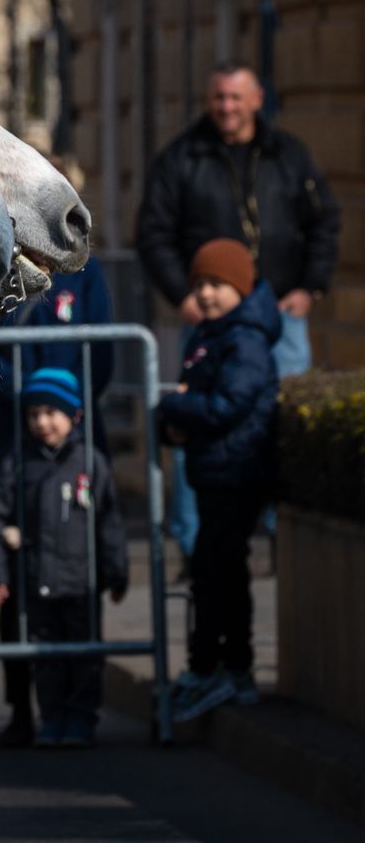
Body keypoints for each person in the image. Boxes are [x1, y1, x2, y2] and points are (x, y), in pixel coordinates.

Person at [137, 62, 340, 380]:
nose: (227, 106)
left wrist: (309, 288)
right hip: (210, 315)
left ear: (257, 99)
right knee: (210, 410)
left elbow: (323, 221)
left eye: (236, 97)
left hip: (281, 312)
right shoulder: (179, 159)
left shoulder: (288, 154)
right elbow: (153, 234)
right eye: (219, 97)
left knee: (285, 411)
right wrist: (182, 295)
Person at [156, 238, 279, 723]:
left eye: (217, 284)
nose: (205, 293)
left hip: (237, 476)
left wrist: (173, 405)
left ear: (240, 288)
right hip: (216, 472)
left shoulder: (243, 339)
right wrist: (175, 419)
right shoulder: (212, 334)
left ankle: (227, 668)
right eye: (199, 283)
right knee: (214, 575)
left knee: (220, 575)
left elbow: (227, 405)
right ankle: (214, 666)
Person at [0, 367, 129, 748]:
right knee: (45, 657)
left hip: (81, 582)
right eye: (34, 415)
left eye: (51, 413)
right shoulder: (18, 463)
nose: (42, 422)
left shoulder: (90, 462)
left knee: (84, 655)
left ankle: (80, 717)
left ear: (74, 415)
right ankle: (53, 716)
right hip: (35, 581)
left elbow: (109, 522)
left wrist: (116, 572)